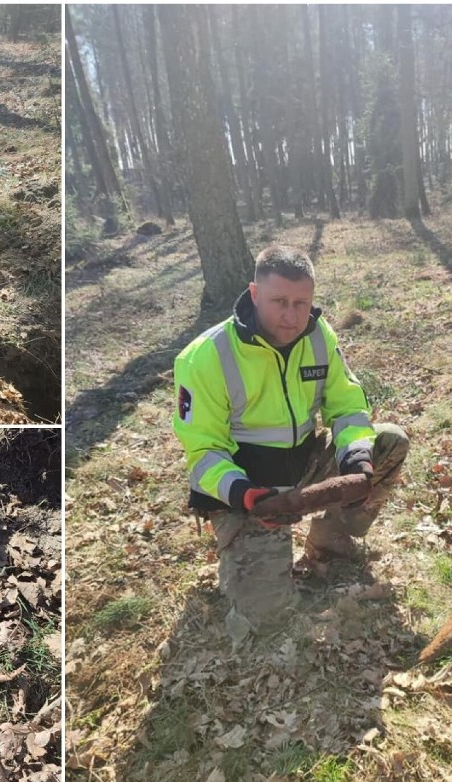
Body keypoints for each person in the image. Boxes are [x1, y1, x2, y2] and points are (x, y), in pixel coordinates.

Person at [173, 245, 409, 630]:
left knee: (390, 442)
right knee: (267, 618)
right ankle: (243, 560)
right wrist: (246, 495)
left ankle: (330, 539)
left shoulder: (319, 337)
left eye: (302, 303)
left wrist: (357, 457)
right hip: (247, 494)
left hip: (304, 467)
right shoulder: (205, 357)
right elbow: (203, 455)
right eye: (279, 301)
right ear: (253, 294)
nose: (291, 316)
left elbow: (347, 405)